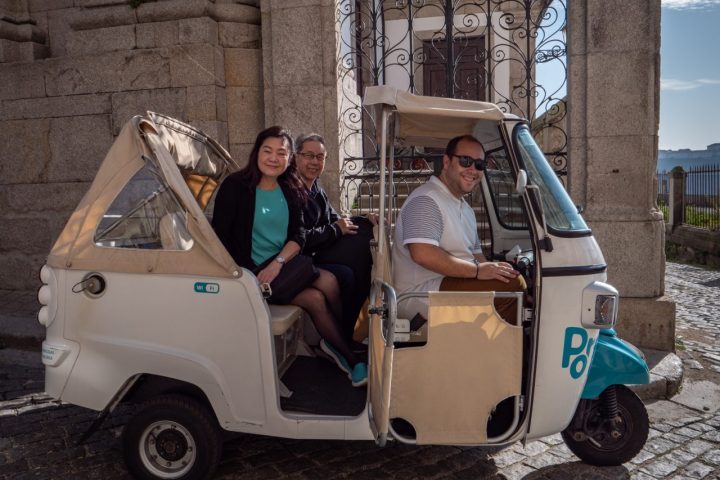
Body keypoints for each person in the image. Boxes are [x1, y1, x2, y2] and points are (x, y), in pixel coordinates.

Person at [212, 126, 367, 387]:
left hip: (281, 266)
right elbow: (221, 237)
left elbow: (299, 236)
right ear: (257, 152)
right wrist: (246, 275)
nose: (274, 158)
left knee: (331, 281)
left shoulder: (290, 187)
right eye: (268, 151)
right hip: (250, 274)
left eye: (281, 153)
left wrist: (278, 263)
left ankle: (337, 344)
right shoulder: (236, 186)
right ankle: (348, 357)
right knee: (316, 297)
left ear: (288, 158)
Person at [393, 134, 527, 322]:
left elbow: (476, 256)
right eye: (466, 161)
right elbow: (422, 253)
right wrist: (478, 272)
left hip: (446, 284)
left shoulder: (465, 208)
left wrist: (495, 268)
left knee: (513, 278)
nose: (473, 169)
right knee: (513, 285)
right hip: (419, 294)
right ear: (447, 162)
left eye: (479, 164)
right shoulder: (427, 200)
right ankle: (497, 348)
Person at [293, 133, 375, 346]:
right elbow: (299, 238)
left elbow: (334, 219)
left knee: (365, 235)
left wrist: (363, 219)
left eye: (320, 157)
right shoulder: (291, 190)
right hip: (301, 258)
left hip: (320, 250)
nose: (314, 162)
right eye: (309, 155)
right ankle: (347, 332)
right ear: (296, 157)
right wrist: (335, 230)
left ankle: (352, 328)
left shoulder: (316, 188)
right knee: (352, 266)